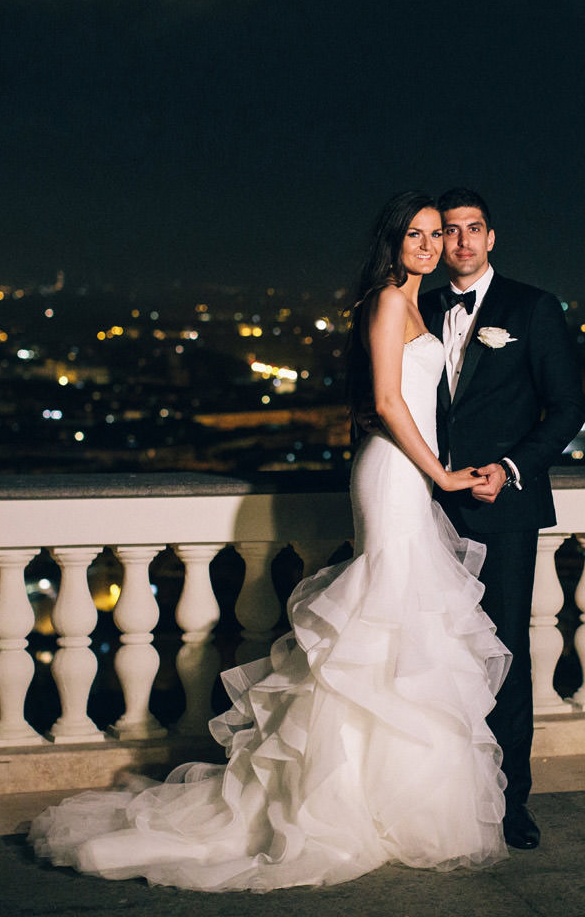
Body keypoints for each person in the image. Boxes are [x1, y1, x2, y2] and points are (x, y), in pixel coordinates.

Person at [28, 191, 511, 892]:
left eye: (437, 235)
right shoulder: (385, 301)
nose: (430, 245)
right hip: (396, 477)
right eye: (416, 234)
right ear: (393, 241)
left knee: (405, 627)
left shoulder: (419, 305)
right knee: (381, 616)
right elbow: (384, 401)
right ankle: (337, 799)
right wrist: (439, 474)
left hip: (414, 477)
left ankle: (388, 796)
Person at [422, 187, 584, 851]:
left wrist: (510, 469)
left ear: (492, 238)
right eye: (448, 231)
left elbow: (568, 410)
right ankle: (438, 792)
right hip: (427, 507)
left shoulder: (533, 307)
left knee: (504, 656)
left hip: (503, 510)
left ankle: (513, 803)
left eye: (472, 230)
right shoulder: (419, 306)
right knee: (430, 653)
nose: (460, 241)